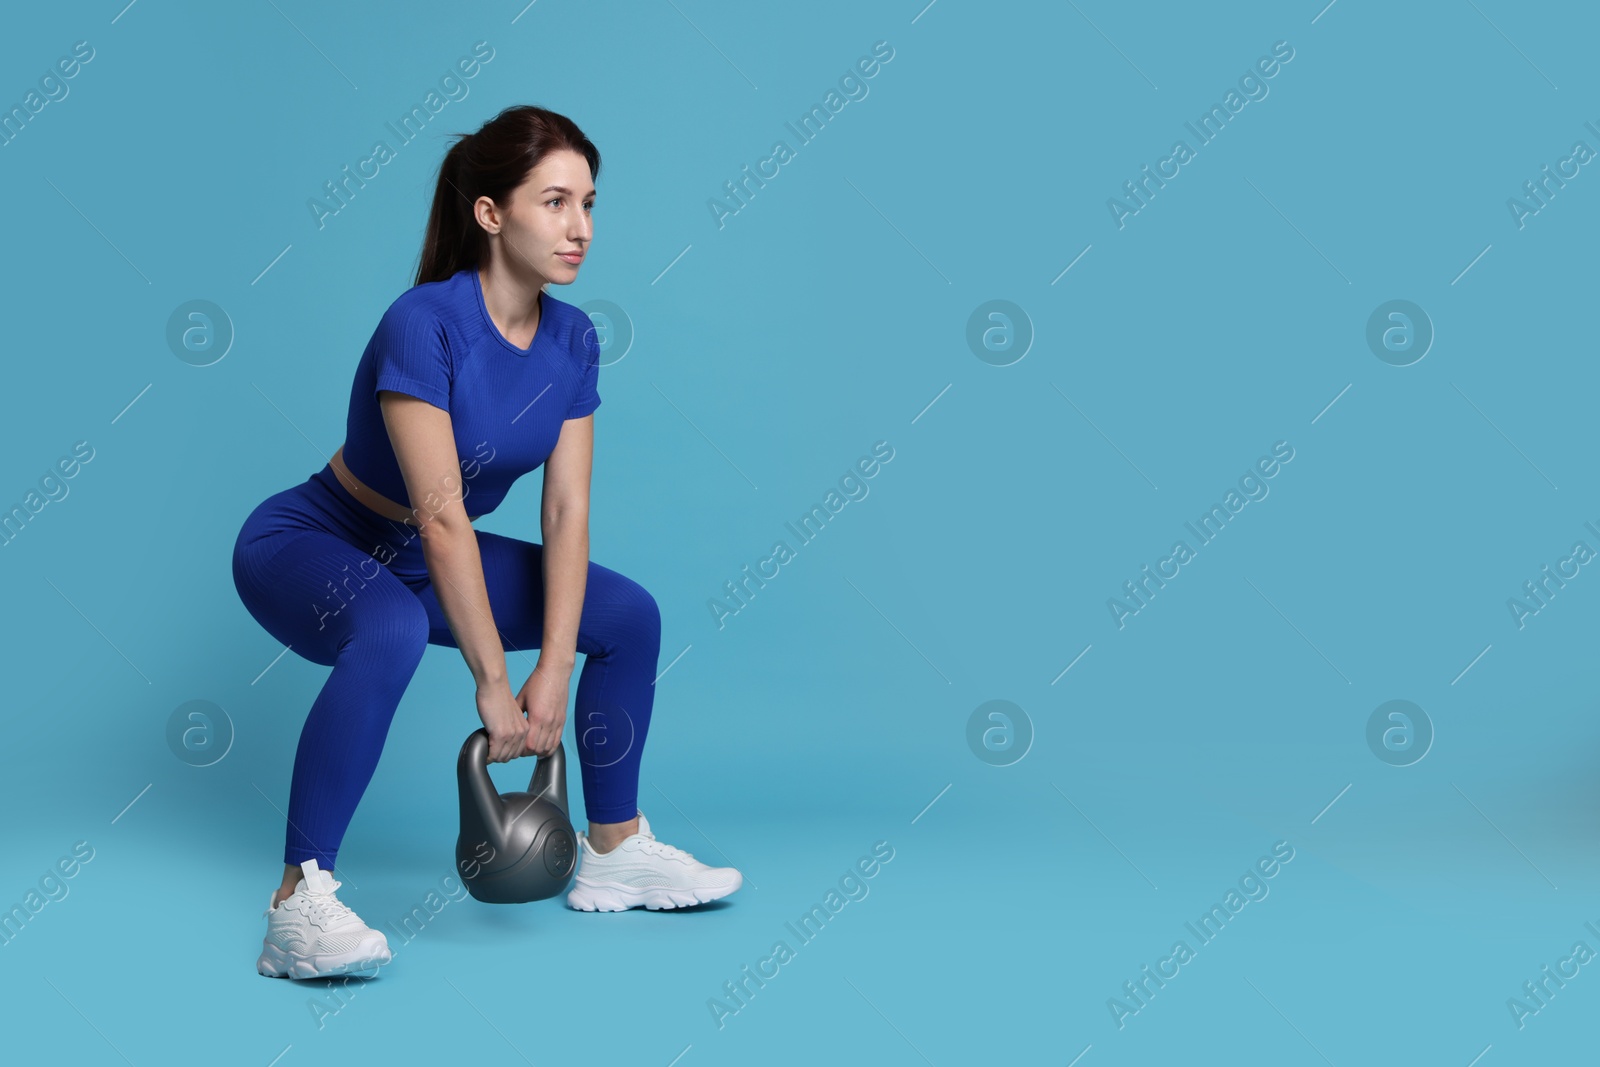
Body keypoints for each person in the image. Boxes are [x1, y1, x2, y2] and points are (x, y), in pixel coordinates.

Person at [231, 104, 742, 981]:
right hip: (316, 539)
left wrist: (554, 667)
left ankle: (614, 848)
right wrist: (496, 684)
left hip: (428, 558)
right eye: (554, 201)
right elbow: (437, 513)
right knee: (386, 629)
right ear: (491, 213)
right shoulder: (423, 322)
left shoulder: (575, 337)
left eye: (589, 203)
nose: (580, 227)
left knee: (629, 616)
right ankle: (296, 904)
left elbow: (565, 513)